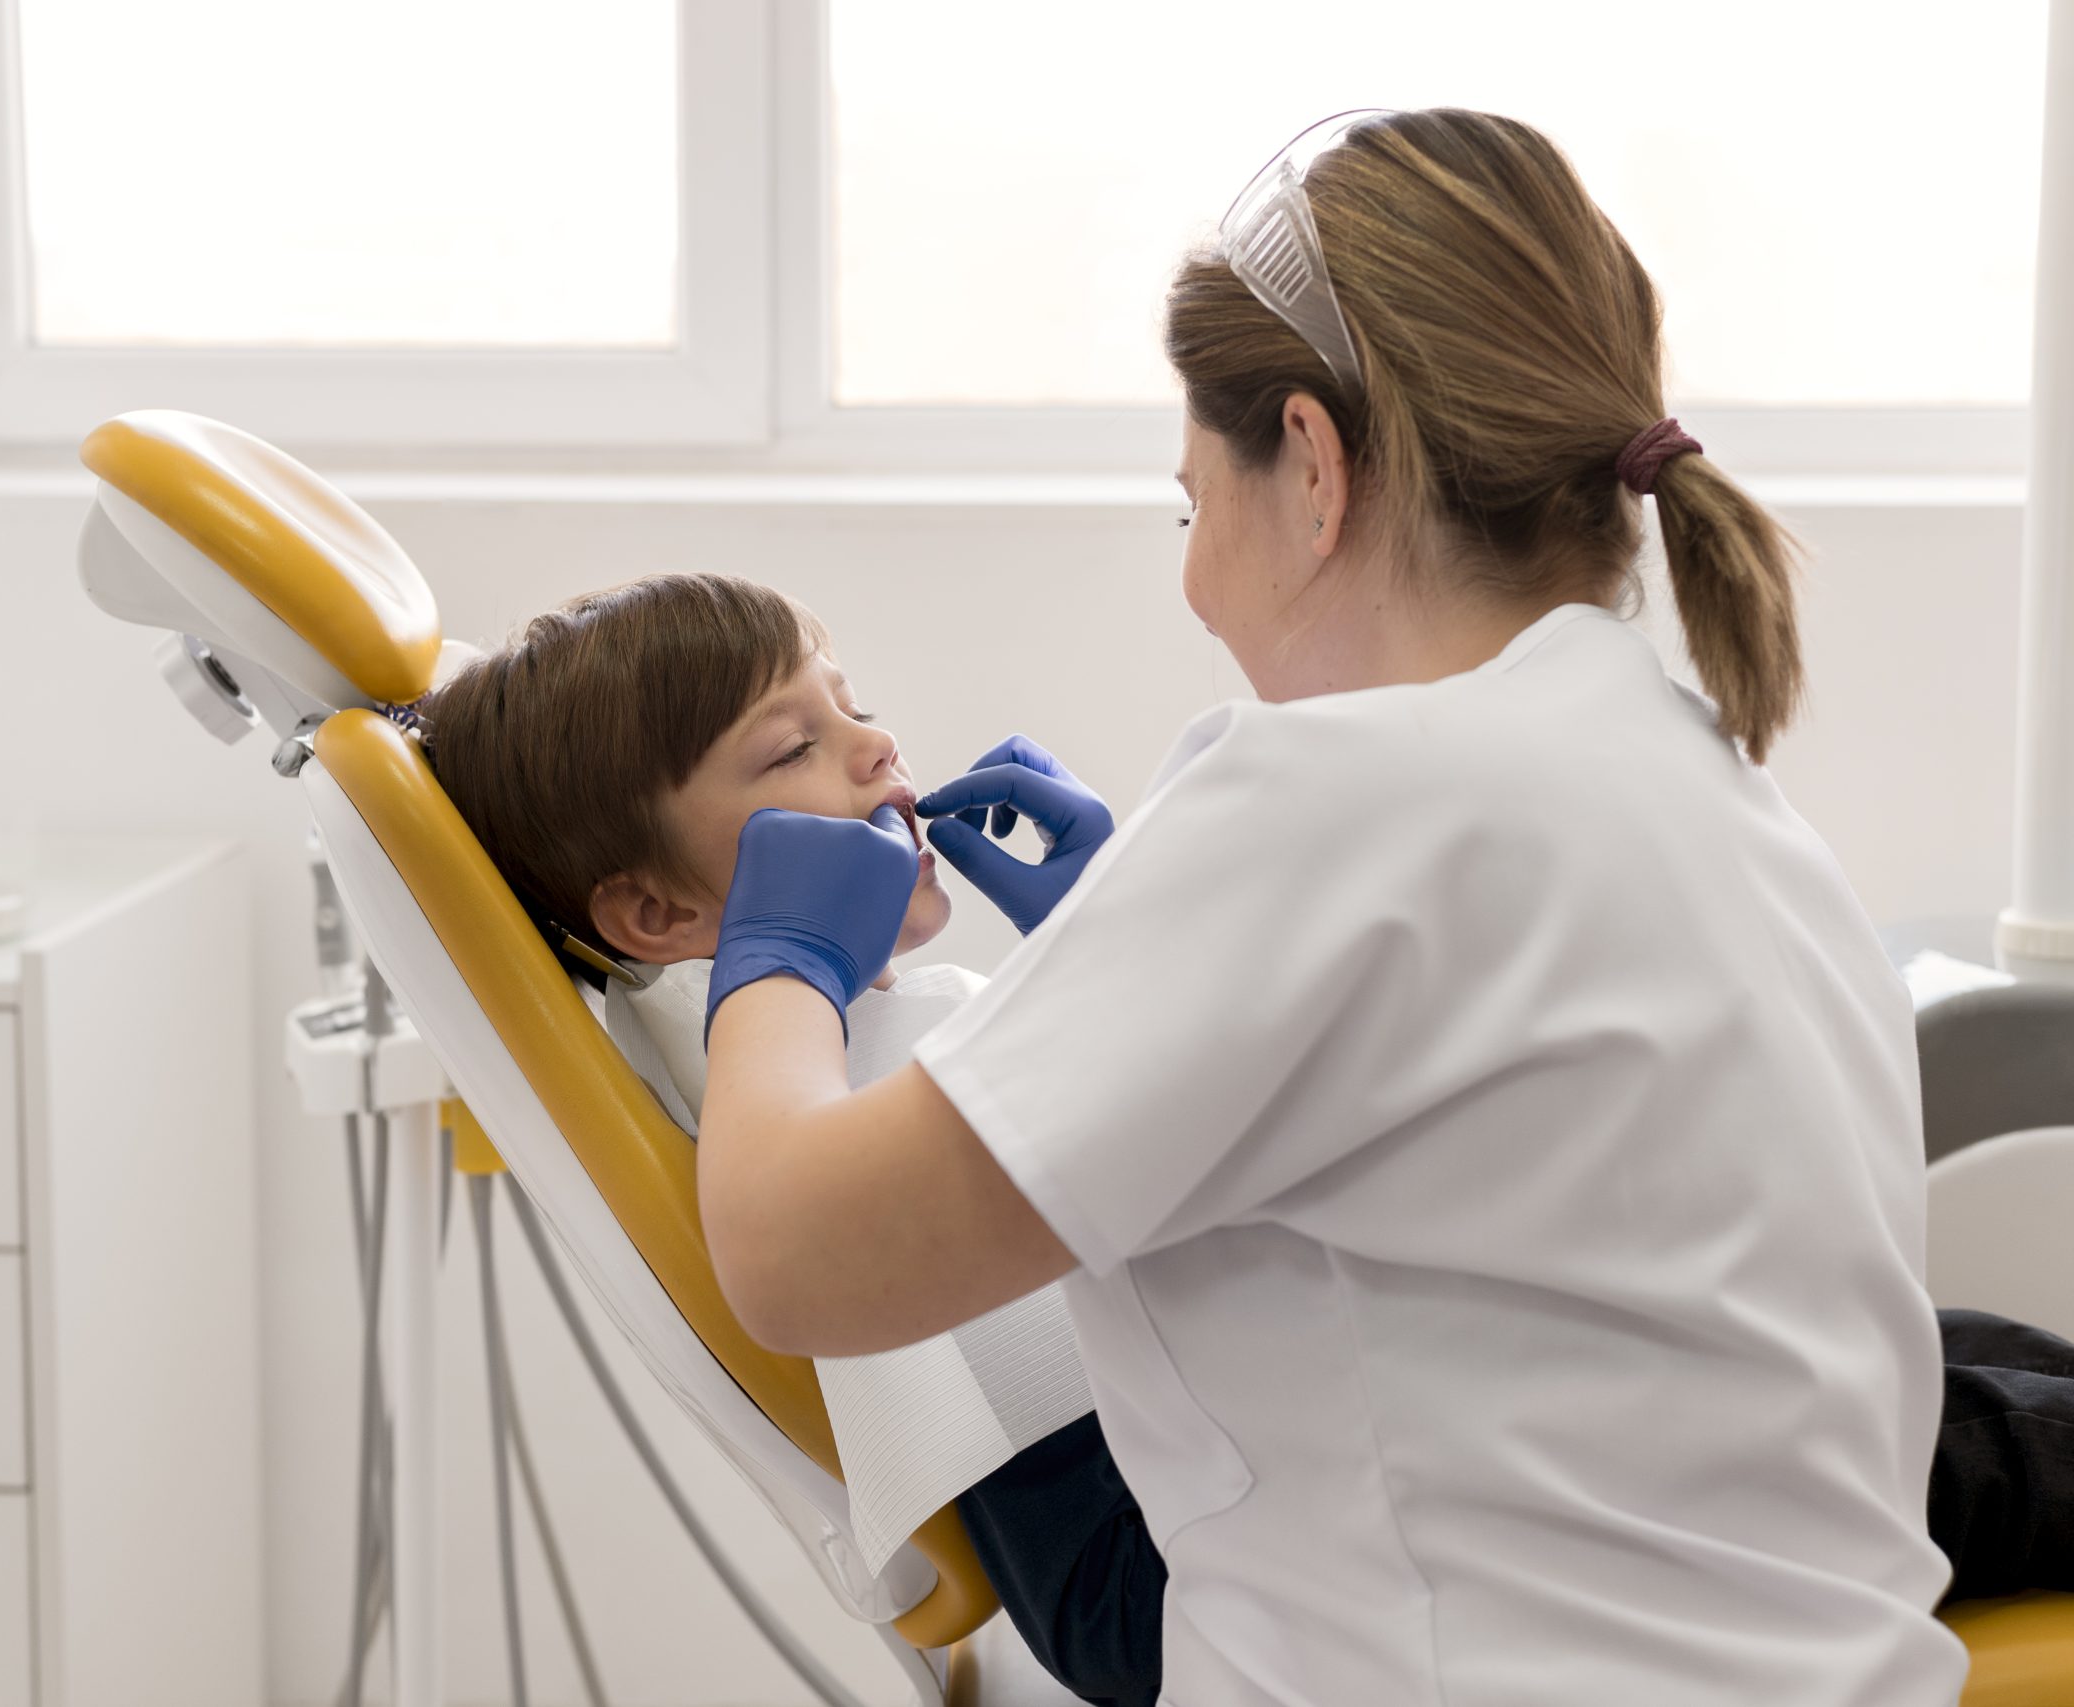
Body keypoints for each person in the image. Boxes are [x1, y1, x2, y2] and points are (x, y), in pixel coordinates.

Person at [688, 106, 1978, 1704]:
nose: (1195, 584)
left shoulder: (1331, 804)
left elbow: (793, 1259)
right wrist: (1131, 953)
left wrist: (779, 957)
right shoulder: (1713, 790)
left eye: (1193, 510)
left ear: (1312, 462)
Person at [422, 568, 2074, 1705]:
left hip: (1265, 1456)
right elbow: (933, 1359)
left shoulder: (846, 1036)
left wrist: (1126, 947)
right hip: (1183, 1572)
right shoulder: (787, 1078)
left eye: (849, 703)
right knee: (1912, 1419)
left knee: (1941, 1347)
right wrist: (784, 967)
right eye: (792, 748)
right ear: (656, 913)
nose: (874, 749)